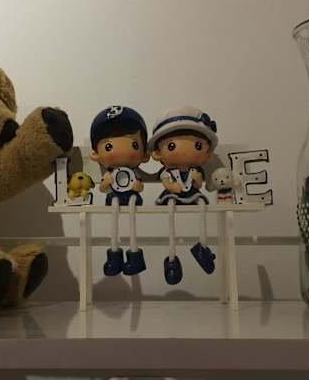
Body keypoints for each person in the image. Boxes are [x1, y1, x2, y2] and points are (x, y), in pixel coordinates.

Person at [148, 107, 218, 285]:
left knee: (202, 207)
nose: (185, 151)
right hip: (173, 195)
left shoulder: (195, 170)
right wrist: (173, 187)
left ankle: (202, 247)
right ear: (157, 153)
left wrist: (197, 180)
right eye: (171, 146)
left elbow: (198, 185)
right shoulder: (167, 172)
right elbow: (167, 183)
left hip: (192, 194)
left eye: (198, 146)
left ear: (207, 154)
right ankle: (172, 257)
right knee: (171, 212)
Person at [90, 106, 149, 276]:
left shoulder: (134, 174)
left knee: (132, 228)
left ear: (144, 154)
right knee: (114, 227)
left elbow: (139, 185)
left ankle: (135, 257)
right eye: (108, 146)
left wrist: (137, 187)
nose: (120, 151)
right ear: (95, 154)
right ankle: (114, 256)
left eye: (134, 145)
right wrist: (106, 183)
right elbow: (103, 189)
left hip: (132, 199)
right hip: (114, 198)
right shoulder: (109, 174)